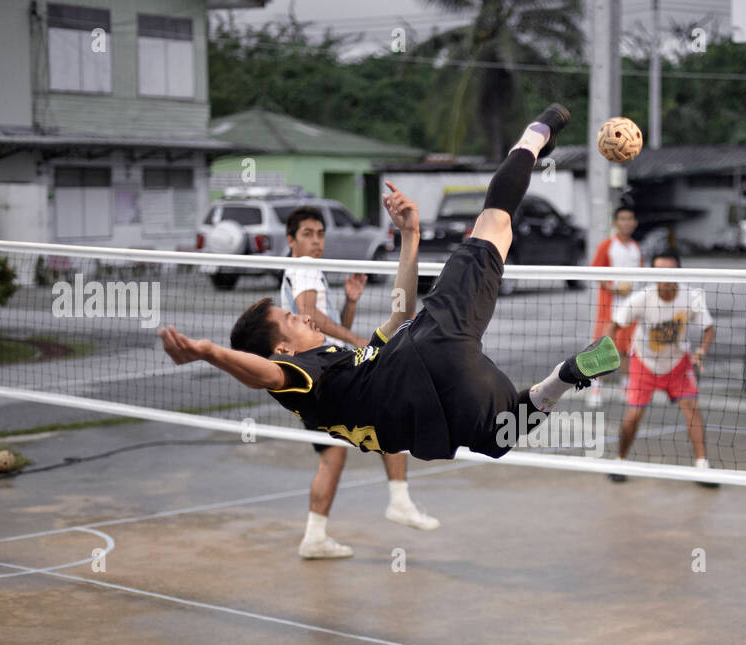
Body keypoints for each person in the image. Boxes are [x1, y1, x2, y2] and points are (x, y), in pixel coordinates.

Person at [159, 105, 621, 466]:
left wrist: (410, 235)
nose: (299, 314)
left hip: (444, 403)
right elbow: (263, 374)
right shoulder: (297, 379)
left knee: (500, 436)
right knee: (495, 224)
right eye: (288, 319)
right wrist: (209, 352)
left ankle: (560, 380)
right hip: (435, 339)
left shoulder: (342, 367)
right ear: (281, 349)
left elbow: (398, 312)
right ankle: (537, 134)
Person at [281, 206, 438, 561]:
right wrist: (356, 337)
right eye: (308, 234)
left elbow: (322, 323)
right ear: (291, 240)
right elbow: (311, 316)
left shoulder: (312, 272)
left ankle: (315, 536)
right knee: (387, 411)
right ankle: (399, 500)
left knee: (335, 455)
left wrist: (350, 303)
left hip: (318, 375)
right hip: (318, 376)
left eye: (320, 233)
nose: (316, 240)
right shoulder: (303, 269)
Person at [603, 249, 717, 485]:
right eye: (660, 272)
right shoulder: (642, 298)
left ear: (678, 272)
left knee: (692, 408)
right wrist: (607, 351)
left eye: (670, 272)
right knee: (634, 415)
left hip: (678, 362)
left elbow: (709, 328)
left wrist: (701, 351)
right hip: (644, 362)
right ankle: (619, 461)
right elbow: (613, 325)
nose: (665, 278)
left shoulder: (692, 297)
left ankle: (702, 465)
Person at [585, 206, 643, 408]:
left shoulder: (636, 248)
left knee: (628, 350)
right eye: (622, 219)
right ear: (616, 223)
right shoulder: (607, 246)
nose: (626, 223)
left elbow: (641, 276)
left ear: (634, 223)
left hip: (631, 308)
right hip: (610, 308)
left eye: (630, 219)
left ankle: (626, 388)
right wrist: (614, 287)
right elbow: (595, 272)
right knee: (603, 348)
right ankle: (595, 388)